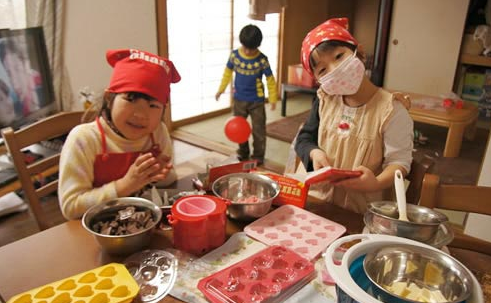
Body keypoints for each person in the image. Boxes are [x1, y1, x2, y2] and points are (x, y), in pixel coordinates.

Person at [294, 18, 413, 214]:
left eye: (339, 56)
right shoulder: (325, 101)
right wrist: (315, 152)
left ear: (360, 53)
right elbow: (304, 139)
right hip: (318, 201)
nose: (335, 69)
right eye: (323, 69)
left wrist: (375, 183)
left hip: (360, 210)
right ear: (319, 80)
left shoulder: (391, 110)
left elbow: (399, 164)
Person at [58, 49, 181, 220]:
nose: (141, 114)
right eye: (130, 99)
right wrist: (125, 185)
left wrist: (159, 175)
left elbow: (167, 181)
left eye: (153, 106)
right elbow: (71, 207)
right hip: (98, 228)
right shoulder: (84, 139)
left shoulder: (157, 132)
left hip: (142, 221)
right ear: (109, 98)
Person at [215, 24, 278, 165]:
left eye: (252, 48)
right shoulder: (235, 56)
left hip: (257, 101)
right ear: (241, 43)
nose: (248, 52)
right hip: (239, 100)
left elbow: (270, 80)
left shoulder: (262, 60)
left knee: (259, 131)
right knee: (239, 129)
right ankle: (243, 153)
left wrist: (273, 98)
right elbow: (227, 73)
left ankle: (258, 156)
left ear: (258, 45)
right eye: (245, 47)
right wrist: (221, 89)